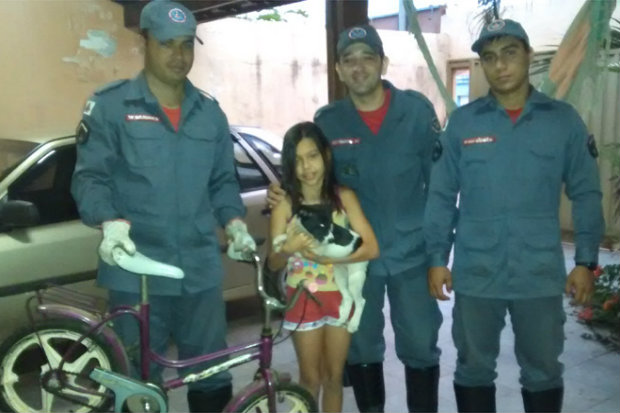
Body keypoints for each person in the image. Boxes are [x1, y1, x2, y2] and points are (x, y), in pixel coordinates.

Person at [70, 1, 256, 411]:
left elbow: (224, 183)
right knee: (136, 381)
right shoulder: (112, 107)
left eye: (187, 45)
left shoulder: (209, 114)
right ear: (145, 42)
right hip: (136, 270)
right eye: (167, 44)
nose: (178, 55)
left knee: (210, 374)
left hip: (199, 273)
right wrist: (109, 222)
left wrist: (236, 223)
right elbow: (90, 178)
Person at [424, 18, 605, 413]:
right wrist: (437, 258)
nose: (500, 65)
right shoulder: (464, 124)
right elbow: (440, 196)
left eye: (509, 53)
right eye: (489, 57)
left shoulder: (562, 121)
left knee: (542, 370)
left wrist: (586, 260)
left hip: (538, 273)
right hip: (476, 272)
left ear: (527, 56)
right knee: (473, 368)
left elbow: (587, 193)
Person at [268, 25, 443, 412]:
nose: (359, 67)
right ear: (338, 69)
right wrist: (284, 194)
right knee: (360, 344)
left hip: (411, 254)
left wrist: (438, 258)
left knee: (420, 343)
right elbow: (314, 179)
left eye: (368, 57)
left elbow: (441, 189)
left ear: (383, 62)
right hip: (351, 259)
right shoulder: (329, 121)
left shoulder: (416, 112)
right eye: (350, 60)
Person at [268, 121, 379, 412]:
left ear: (327, 156)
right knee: (309, 379)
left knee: (333, 379)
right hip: (302, 299)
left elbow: (372, 247)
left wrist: (330, 260)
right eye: (298, 160)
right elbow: (273, 261)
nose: (307, 167)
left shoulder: (345, 198)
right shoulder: (285, 203)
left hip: (339, 298)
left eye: (313, 156)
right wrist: (287, 249)